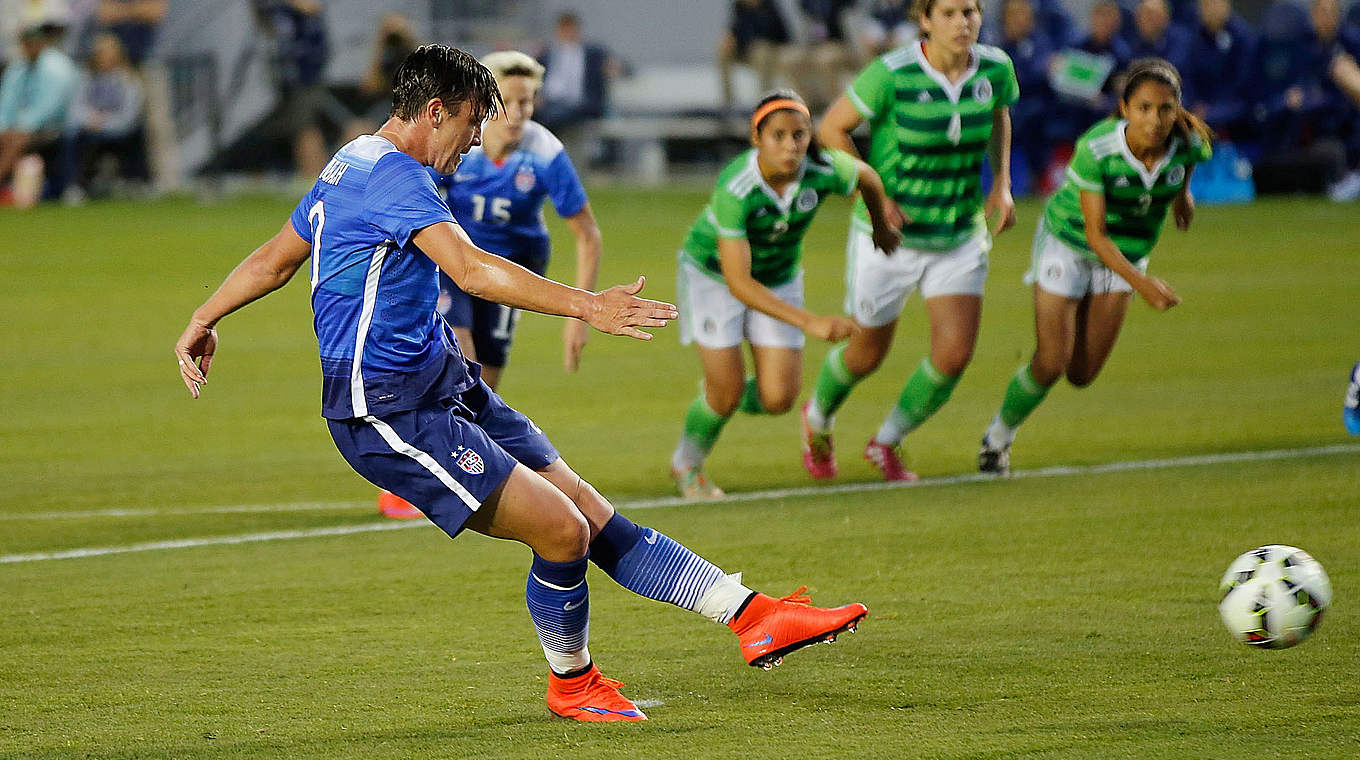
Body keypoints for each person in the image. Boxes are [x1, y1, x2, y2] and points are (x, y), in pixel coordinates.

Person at [173, 44, 868, 723]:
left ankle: (753, 617)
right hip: (385, 408)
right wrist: (588, 304)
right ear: (436, 110)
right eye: (474, 121)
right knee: (562, 532)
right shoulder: (397, 177)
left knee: (590, 513)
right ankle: (573, 682)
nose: (478, 139)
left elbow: (277, 257)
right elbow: (470, 270)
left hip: (444, 380)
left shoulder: (353, 160)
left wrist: (205, 315)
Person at [377, 49, 602, 519]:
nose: (519, 113)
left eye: (529, 102)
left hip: (513, 268)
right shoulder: (460, 143)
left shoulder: (544, 152)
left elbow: (587, 233)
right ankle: (418, 478)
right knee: (462, 354)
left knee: (484, 381)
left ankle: (459, 466)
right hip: (457, 263)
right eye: (509, 101)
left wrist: (580, 317)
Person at [803, 0, 1019, 482]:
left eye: (971, 11)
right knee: (866, 353)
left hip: (960, 233)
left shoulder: (996, 68)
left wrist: (1001, 182)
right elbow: (831, 128)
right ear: (925, 20)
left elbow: (999, 114)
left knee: (954, 354)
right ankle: (817, 419)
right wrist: (873, 189)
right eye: (949, 12)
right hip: (889, 238)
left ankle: (887, 440)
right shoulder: (892, 72)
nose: (962, 22)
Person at [976, 57, 1212, 474]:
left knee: (1081, 373)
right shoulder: (1097, 149)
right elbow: (1096, 235)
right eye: (1143, 108)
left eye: (1164, 109)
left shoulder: (1190, 142)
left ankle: (1076, 310)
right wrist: (1142, 285)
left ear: (1177, 110)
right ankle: (997, 439)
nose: (1154, 120)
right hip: (1069, 243)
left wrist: (1182, 197)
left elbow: (1187, 166)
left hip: (1127, 253)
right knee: (1051, 362)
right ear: (1124, 108)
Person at [669, 89, 902, 499]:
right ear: (756, 138)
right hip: (714, 276)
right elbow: (738, 282)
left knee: (779, 398)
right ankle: (687, 464)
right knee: (725, 394)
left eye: (800, 134)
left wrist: (882, 226)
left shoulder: (823, 168)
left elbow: (867, 177)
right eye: (778, 135)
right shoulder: (738, 187)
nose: (791, 145)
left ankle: (718, 394)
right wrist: (812, 322)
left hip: (777, 275)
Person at [54, 30, 144, 201]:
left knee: (96, 140)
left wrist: (104, 123)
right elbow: (75, 109)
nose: (105, 59)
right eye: (101, 54)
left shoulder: (129, 81)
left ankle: (132, 182)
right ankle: (71, 186)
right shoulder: (86, 78)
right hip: (89, 128)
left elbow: (128, 117)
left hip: (117, 132)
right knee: (70, 137)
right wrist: (89, 119)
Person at [0, 21, 78, 199]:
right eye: (26, 43)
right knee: (9, 138)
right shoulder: (17, 67)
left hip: (53, 127)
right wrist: (4, 127)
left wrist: (21, 127)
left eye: (33, 42)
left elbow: (50, 107)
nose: (29, 46)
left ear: (42, 43)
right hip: (18, 128)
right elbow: (6, 102)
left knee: (16, 141)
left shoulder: (58, 67)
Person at [1182, 0, 1257, 139]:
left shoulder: (1243, 38)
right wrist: (1193, 105)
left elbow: (1244, 88)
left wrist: (1212, 111)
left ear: (1227, 5)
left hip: (1234, 110)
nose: (1210, 9)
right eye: (1205, 5)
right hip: (1199, 108)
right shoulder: (1194, 37)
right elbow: (1188, 77)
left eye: (1214, 3)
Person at [536, 11, 612, 135]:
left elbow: (623, 67)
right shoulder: (547, 54)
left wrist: (612, 68)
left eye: (570, 28)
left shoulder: (594, 53)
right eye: (563, 29)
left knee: (552, 116)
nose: (567, 33)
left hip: (581, 103)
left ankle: (545, 144)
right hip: (550, 101)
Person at [718, 0, 794, 112]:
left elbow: (778, 35)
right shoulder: (739, 8)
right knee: (723, 49)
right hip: (747, 49)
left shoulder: (769, 8)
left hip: (770, 50)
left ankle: (766, 101)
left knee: (760, 51)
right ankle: (728, 101)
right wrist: (731, 37)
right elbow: (738, 29)